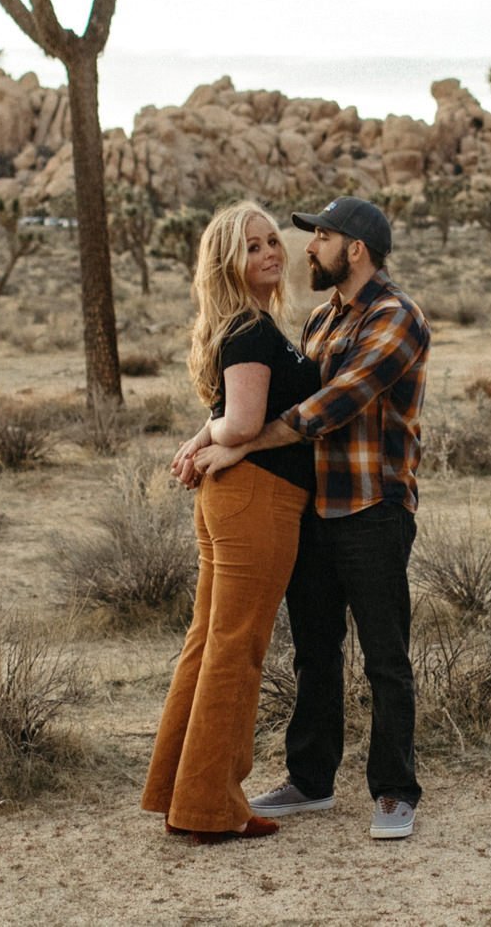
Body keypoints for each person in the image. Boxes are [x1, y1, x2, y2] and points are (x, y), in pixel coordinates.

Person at [185, 195, 430, 841]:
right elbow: (276, 399)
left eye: (317, 237)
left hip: (373, 508)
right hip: (318, 510)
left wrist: (231, 442)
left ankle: (395, 789)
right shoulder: (320, 322)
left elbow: (327, 407)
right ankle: (311, 779)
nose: (303, 250)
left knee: (385, 656)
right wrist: (211, 434)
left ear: (354, 248)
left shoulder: (396, 318)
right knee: (315, 652)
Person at [141, 201, 320, 845]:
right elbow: (242, 420)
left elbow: (230, 416)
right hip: (259, 500)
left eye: (274, 241)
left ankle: (178, 792)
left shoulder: (240, 325)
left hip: (235, 495)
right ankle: (212, 807)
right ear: (227, 262)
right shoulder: (252, 330)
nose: (271, 253)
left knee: (209, 641)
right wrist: (224, 438)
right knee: (235, 648)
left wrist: (204, 440)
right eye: (253, 247)